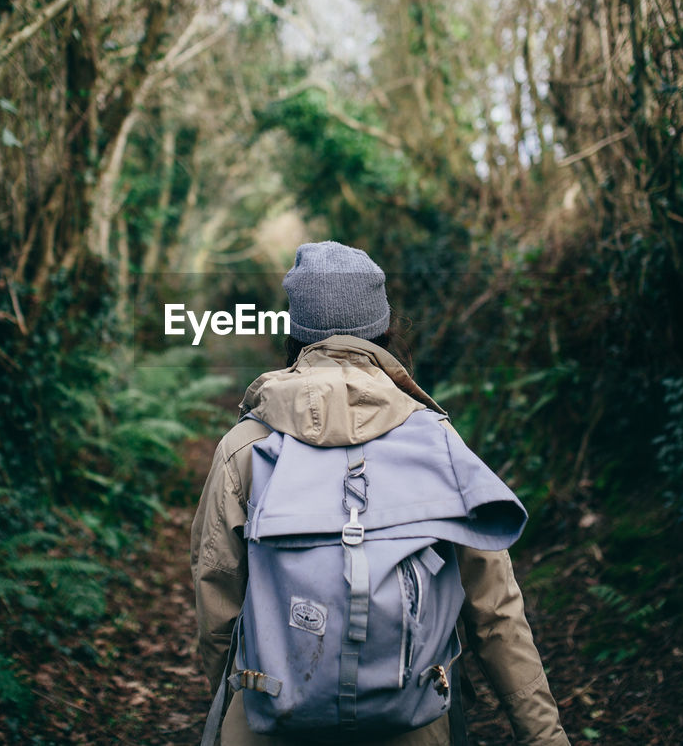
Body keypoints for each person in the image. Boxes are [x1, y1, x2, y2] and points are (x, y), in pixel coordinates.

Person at [190, 241, 570, 746]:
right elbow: (495, 611)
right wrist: (543, 736)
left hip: (273, 724)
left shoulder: (246, 446)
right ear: (384, 329)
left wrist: (236, 694)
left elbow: (217, 600)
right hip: (411, 724)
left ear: (296, 333)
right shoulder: (436, 443)